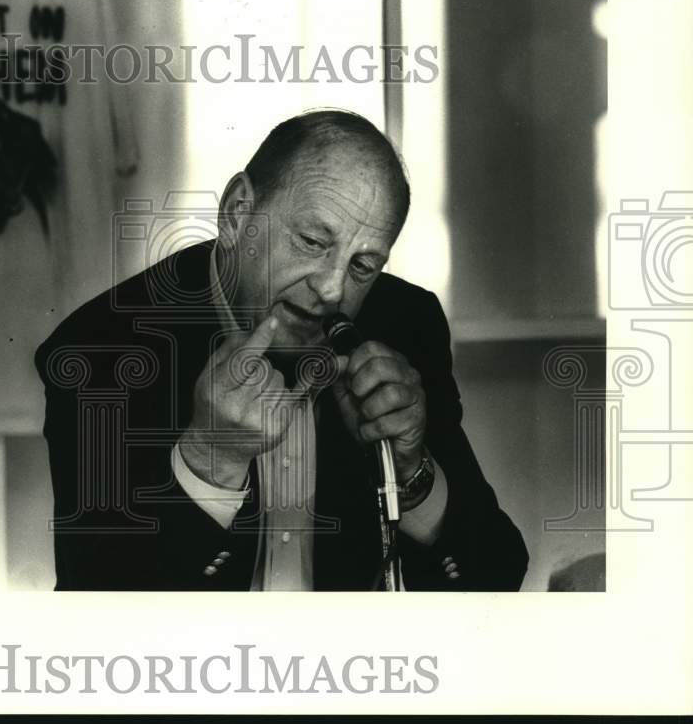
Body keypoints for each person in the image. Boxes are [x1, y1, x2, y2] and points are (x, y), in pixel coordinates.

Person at [35, 109, 528, 591]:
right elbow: (94, 611)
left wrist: (410, 472)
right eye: (313, 242)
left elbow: (496, 576)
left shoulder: (406, 321)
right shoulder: (99, 347)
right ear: (235, 214)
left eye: (363, 266)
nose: (333, 290)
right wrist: (212, 462)